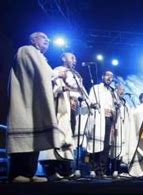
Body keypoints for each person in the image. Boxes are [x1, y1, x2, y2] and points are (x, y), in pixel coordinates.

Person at [7, 32, 65, 183]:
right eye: (43, 37)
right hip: (24, 101)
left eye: (48, 38)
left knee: (34, 139)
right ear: (33, 40)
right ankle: (16, 173)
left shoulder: (40, 56)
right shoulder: (26, 50)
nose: (47, 40)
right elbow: (39, 72)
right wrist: (56, 74)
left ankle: (29, 172)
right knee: (23, 137)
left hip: (34, 102)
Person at [39, 52, 87, 180]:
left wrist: (82, 104)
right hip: (60, 108)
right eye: (72, 57)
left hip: (73, 111)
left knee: (69, 138)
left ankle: (66, 170)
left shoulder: (77, 76)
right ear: (63, 58)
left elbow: (82, 92)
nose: (74, 60)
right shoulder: (58, 70)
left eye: (75, 58)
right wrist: (67, 93)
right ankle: (52, 170)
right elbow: (53, 89)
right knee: (58, 137)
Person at [86, 70, 117, 177]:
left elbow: (114, 106)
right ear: (103, 76)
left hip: (108, 119)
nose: (109, 78)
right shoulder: (96, 88)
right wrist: (99, 108)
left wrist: (113, 111)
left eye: (111, 76)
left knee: (106, 146)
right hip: (98, 119)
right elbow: (90, 102)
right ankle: (95, 168)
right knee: (97, 143)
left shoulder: (112, 91)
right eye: (107, 75)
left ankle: (103, 170)